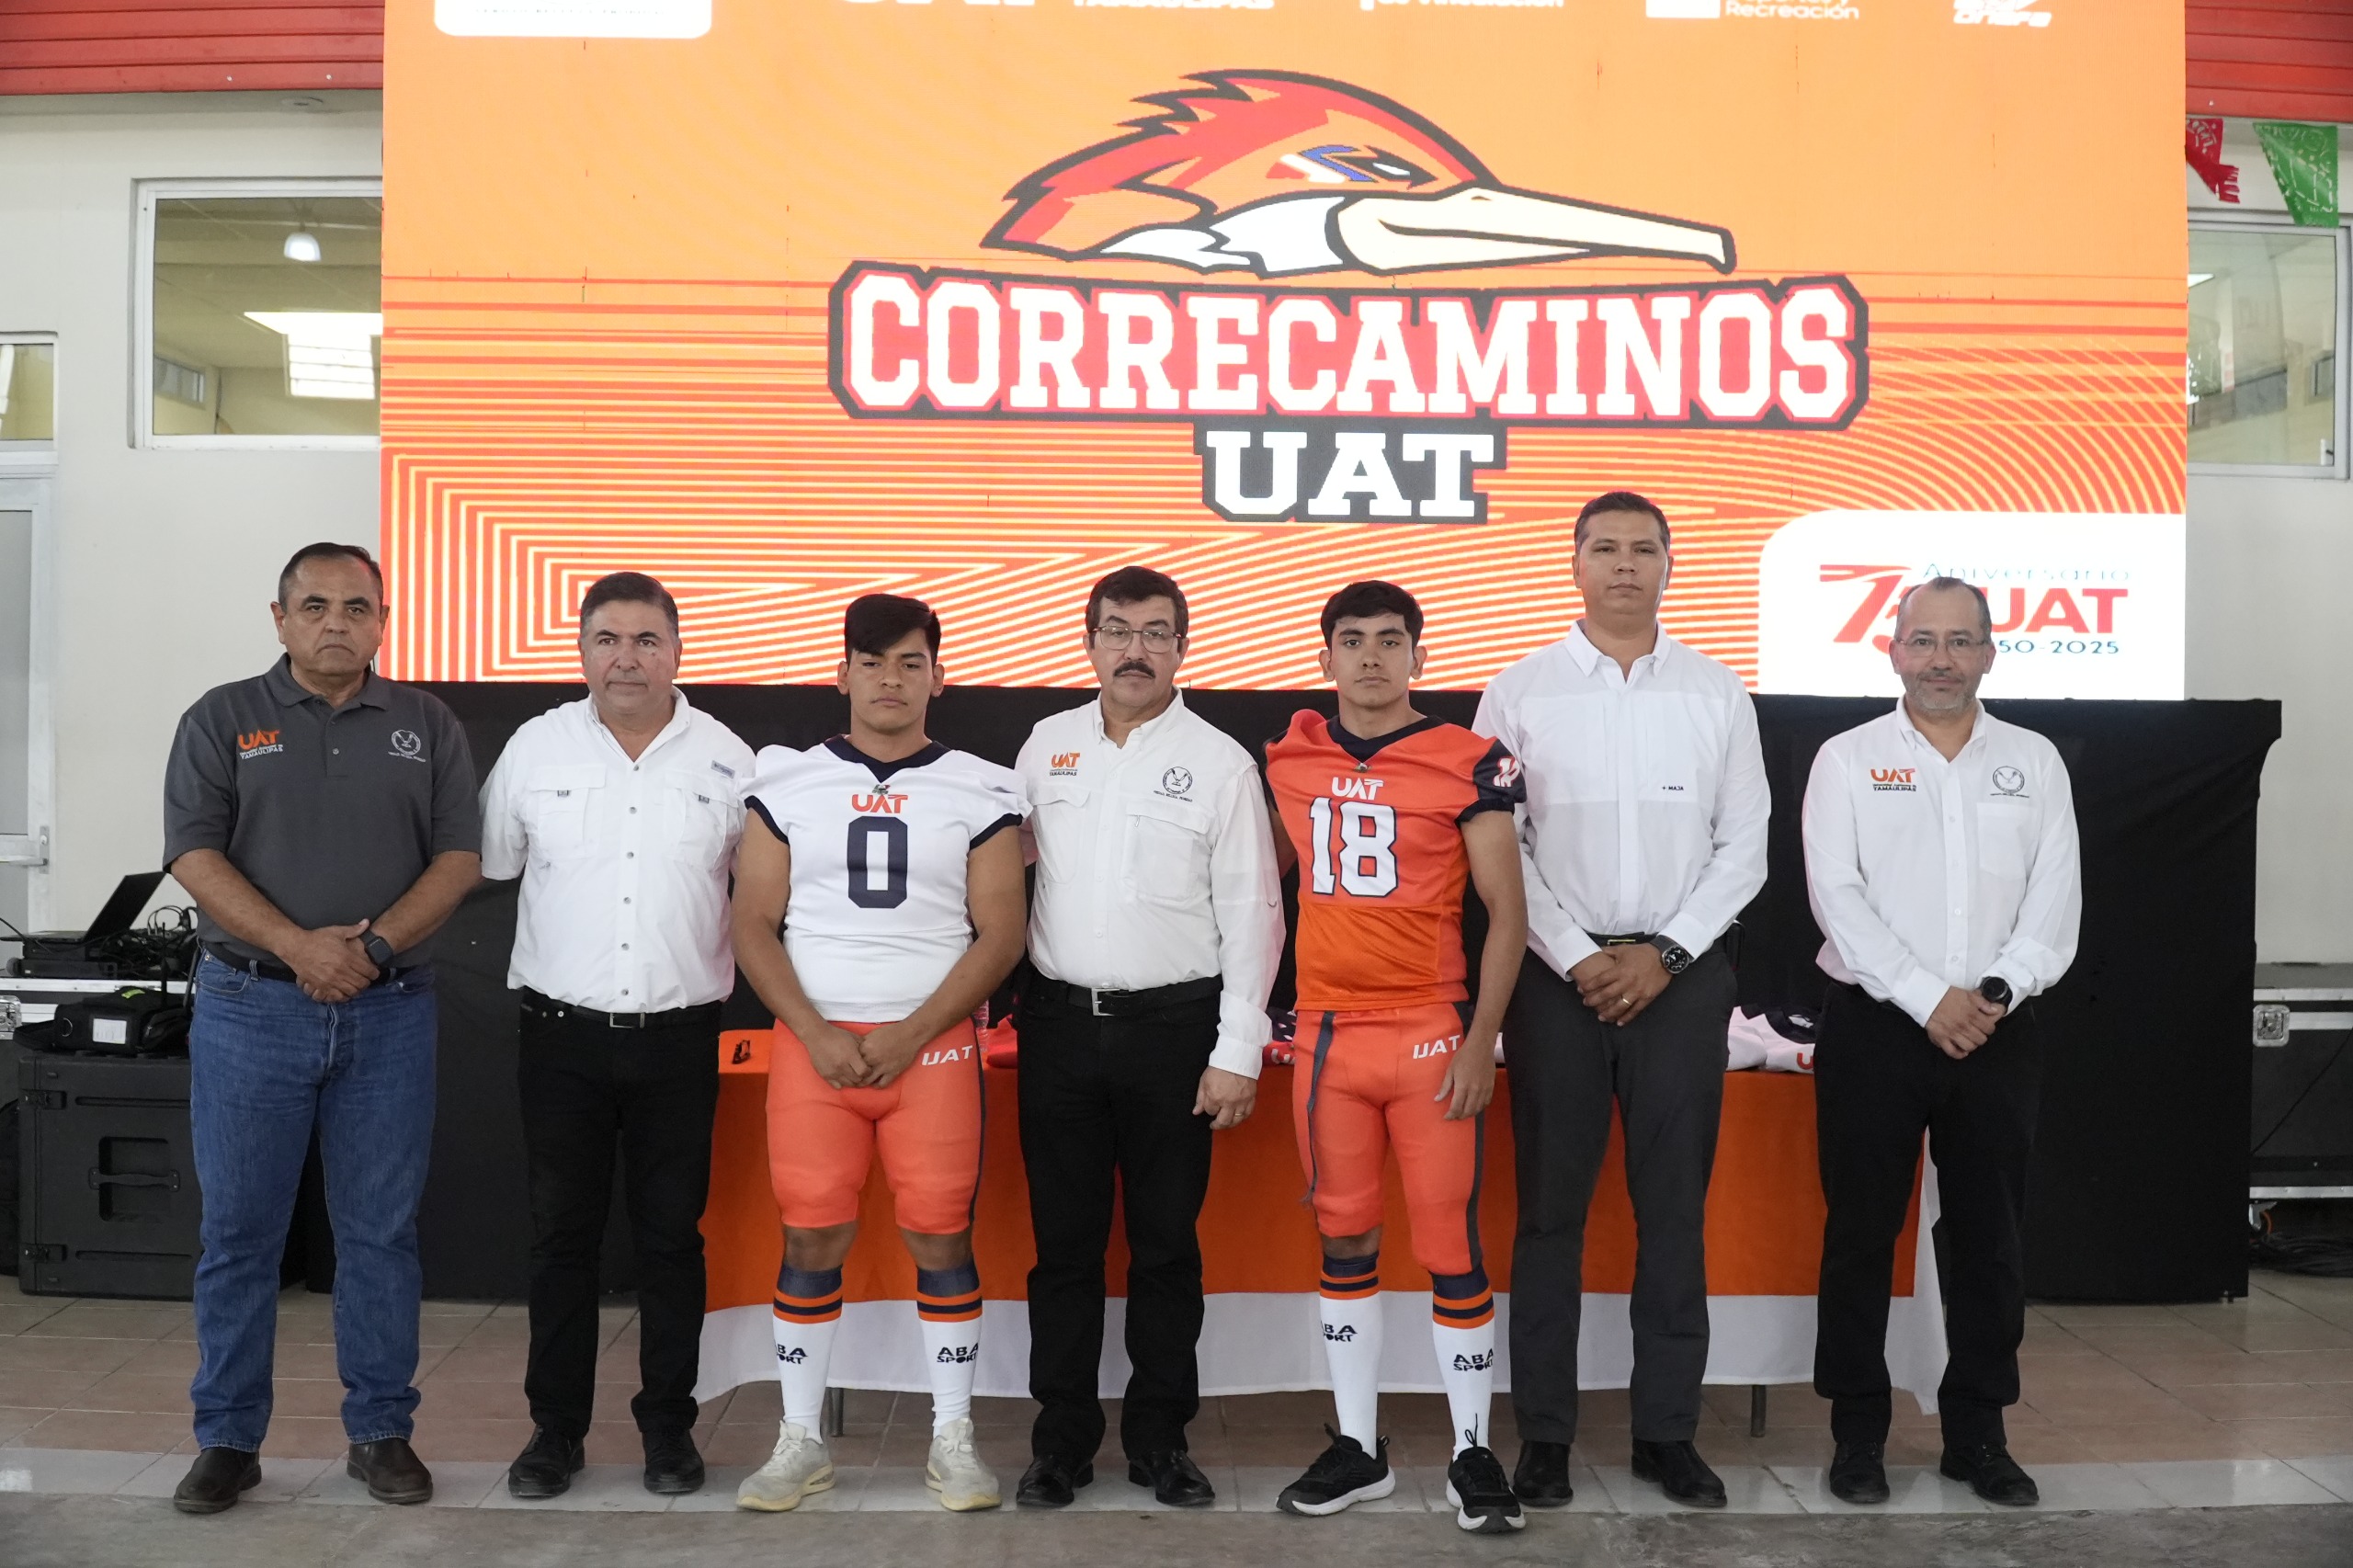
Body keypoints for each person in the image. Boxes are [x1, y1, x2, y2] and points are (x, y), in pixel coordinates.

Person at [161, 542, 482, 1514]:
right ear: (280, 617)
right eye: (315, 606)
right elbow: (193, 855)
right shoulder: (221, 717)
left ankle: (381, 1432)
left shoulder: (427, 723)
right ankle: (227, 1439)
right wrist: (300, 946)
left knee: (379, 1233)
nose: (336, 622)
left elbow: (458, 859)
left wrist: (369, 949)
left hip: (389, 1011)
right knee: (238, 1234)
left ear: (383, 620)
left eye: (356, 607)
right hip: (250, 1008)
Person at [1473, 493, 1768, 1510]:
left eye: (1644, 549)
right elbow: (1500, 849)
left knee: (1672, 1212)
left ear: (1670, 564)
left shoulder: (1717, 693)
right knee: (1549, 1217)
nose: (1625, 565)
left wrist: (1665, 954)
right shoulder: (1517, 692)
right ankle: (1545, 1438)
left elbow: (1745, 846)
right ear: (1576, 564)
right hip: (1556, 982)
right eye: (1605, 548)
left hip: (1681, 981)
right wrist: (1572, 956)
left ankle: (1666, 1434)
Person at [729, 594, 1029, 1515]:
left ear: (938, 675)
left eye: (909, 661)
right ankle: (799, 1438)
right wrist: (817, 1031)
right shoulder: (786, 784)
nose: (890, 679)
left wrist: (911, 1031)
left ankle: (952, 1437)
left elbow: (1001, 931)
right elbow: (752, 922)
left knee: (940, 1233)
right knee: (810, 1232)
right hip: (814, 1047)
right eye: (872, 661)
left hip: (929, 1053)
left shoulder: (983, 788)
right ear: (843, 674)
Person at [1801, 576, 2080, 1508]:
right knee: (1860, 1233)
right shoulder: (1845, 758)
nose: (1941, 660)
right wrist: (1928, 999)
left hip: (1997, 1029)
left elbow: (2055, 897)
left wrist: (1990, 994)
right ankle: (1857, 1434)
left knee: (1989, 1240)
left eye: (1961, 641)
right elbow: (1836, 896)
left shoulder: (2034, 760)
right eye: (1923, 640)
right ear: (1893, 651)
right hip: (1875, 1028)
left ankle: (1978, 1434)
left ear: (1990, 652)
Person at [475, 572, 755, 1500]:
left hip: (681, 1040)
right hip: (561, 1039)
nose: (625, 658)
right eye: (607, 639)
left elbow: (762, 896)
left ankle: (669, 1430)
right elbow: (494, 859)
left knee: (673, 1241)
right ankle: (554, 1433)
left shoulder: (729, 759)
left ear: (677, 650)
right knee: (562, 1240)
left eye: (645, 639)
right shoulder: (535, 747)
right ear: (582, 650)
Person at [1011, 566, 1282, 1510]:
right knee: (1064, 1249)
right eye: (1118, 630)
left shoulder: (1220, 762)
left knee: (1166, 1248)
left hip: (1175, 1034)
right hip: (1057, 1028)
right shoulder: (1044, 745)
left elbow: (1253, 913)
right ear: (1089, 642)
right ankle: (1060, 1443)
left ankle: (1161, 1439)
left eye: (1157, 633)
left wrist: (1236, 1051)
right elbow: (1000, 873)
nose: (1136, 650)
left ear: (1182, 647)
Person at [1262, 582, 1530, 1533]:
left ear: (1419, 654)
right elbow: (1249, 886)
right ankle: (1357, 1445)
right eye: (1352, 640)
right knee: (1344, 1237)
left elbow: (1508, 914)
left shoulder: (1468, 758)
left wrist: (1480, 1038)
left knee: (1450, 1242)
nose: (1370, 656)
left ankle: (1471, 1449)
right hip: (1327, 1034)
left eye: (1388, 640)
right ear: (1324, 654)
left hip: (1427, 1030)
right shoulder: (1291, 755)